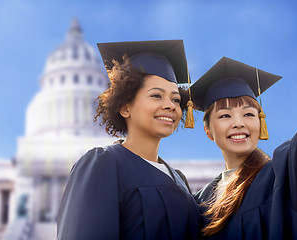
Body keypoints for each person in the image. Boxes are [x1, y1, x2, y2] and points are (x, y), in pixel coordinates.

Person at [191, 42, 297, 239]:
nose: (239, 123)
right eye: (225, 116)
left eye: (248, 114)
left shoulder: (284, 172)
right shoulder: (201, 200)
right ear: (208, 131)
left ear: (261, 122)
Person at [56, 40, 201, 240]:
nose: (170, 105)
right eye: (156, 96)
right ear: (125, 107)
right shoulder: (103, 165)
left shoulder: (179, 179)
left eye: (176, 99)